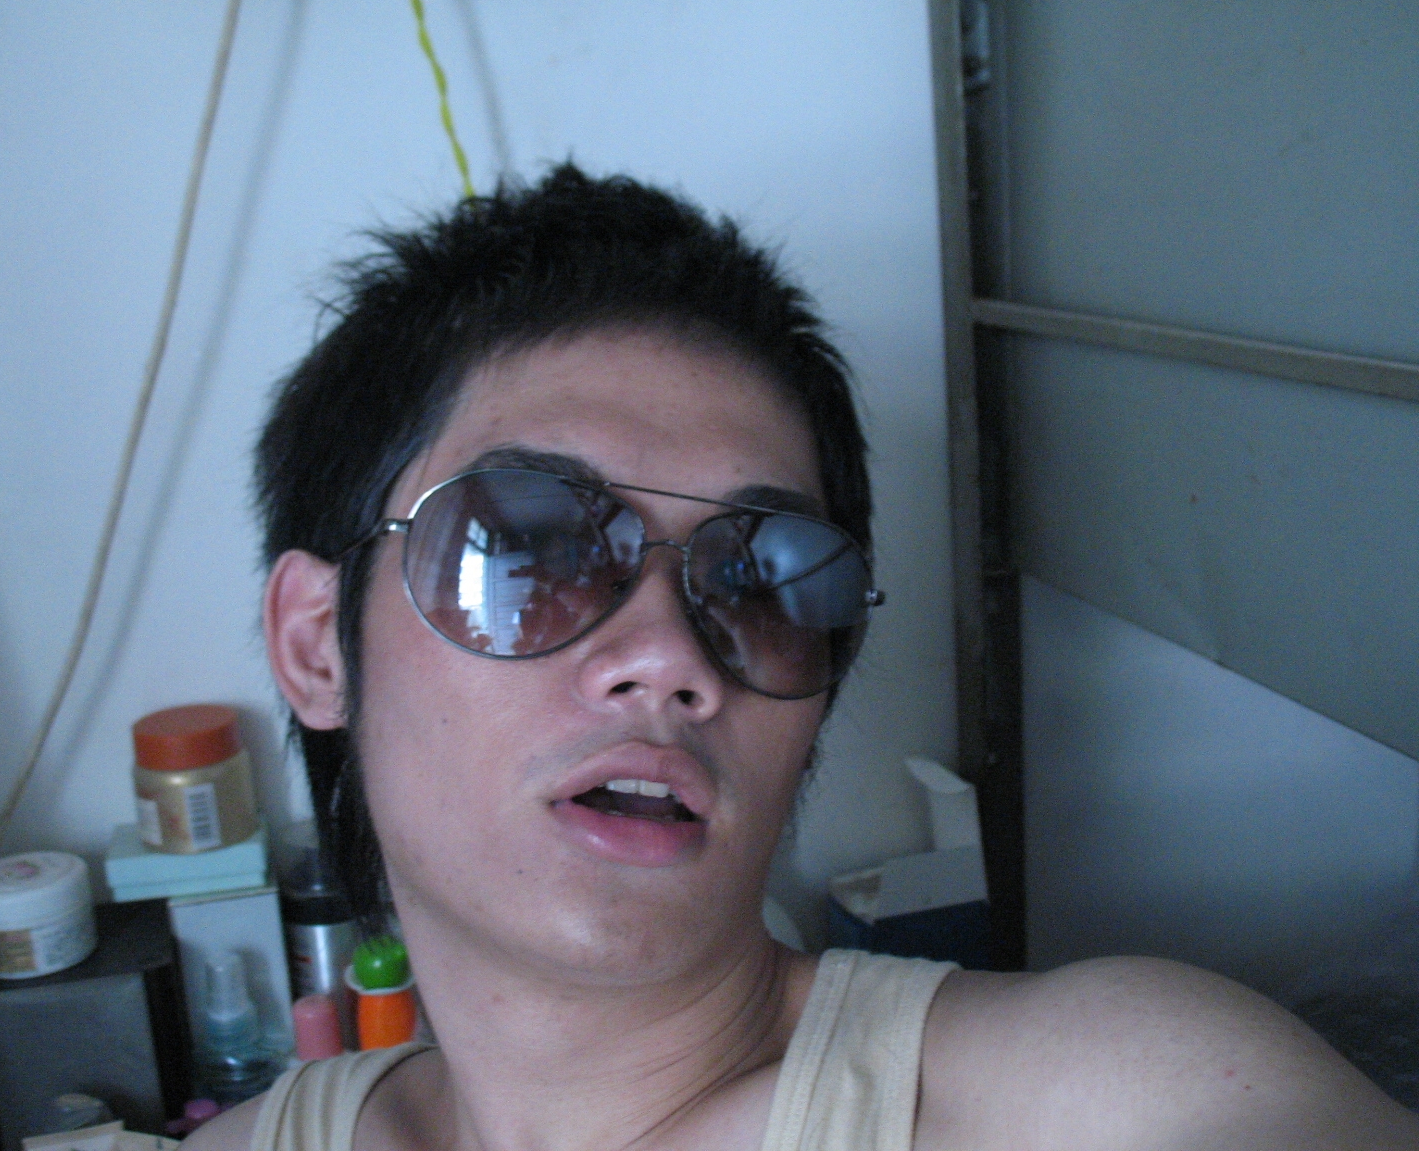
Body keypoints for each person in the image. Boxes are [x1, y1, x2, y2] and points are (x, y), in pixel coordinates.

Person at [192, 165, 1418, 1151]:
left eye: (761, 581)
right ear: (315, 645)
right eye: (528, 547)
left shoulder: (1104, 1093)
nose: (667, 658)